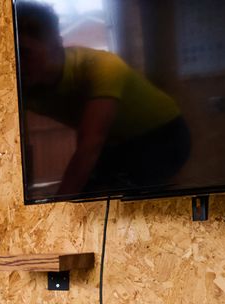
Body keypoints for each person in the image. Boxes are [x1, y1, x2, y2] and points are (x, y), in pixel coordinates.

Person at [14, 2, 190, 196]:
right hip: (114, 141)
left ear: (55, 45)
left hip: (164, 135)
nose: (18, 65)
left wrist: (58, 207)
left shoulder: (102, 67)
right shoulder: (24, 84)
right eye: (14, 56)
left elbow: (90, 145)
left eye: (25, 53)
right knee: (89, 195)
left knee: (116, 195)